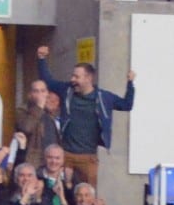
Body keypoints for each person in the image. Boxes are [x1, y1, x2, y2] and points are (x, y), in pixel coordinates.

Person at [35, 45, 134, 187]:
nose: (72, 79)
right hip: (65, 154)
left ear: (88, 78)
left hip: (88, 157)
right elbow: (48, 81)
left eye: (76, 76)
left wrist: (130, 84)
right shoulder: (67, 91)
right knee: (58, 191)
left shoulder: (103, 97)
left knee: (86, 196)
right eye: (72, 75)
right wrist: (41, 59)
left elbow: (126, 105)